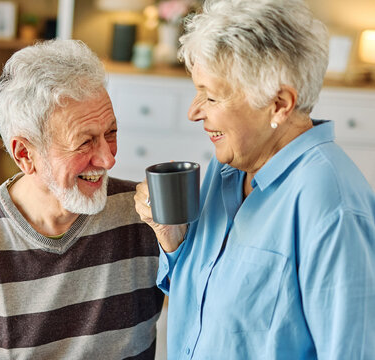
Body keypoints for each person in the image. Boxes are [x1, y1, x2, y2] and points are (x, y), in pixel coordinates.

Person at [135, 0, 375, 359]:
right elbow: (209, 304)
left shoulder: (332, 206)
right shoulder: (230, 167)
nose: (193, 112)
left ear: (279, 104)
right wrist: (174, 242)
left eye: (211, 96)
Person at [0, 39, 164, 359]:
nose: (108, 159)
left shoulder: (145, 215)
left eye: (111, 133)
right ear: (25, 154)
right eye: (85, 142)